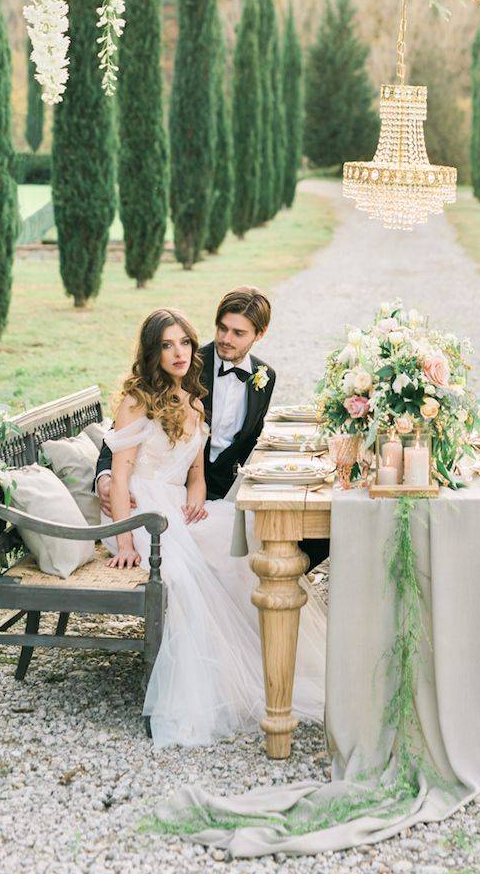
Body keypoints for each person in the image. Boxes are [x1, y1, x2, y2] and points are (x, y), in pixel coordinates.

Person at [100, 306, 325, 747]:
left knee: (242, 544)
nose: (180, 352)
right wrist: (125, 541)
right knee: (185, 575)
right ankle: (212, 678)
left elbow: (197, 475)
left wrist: (196, 502)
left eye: (184, 342)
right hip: (140, 510)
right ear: (152, 352)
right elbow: (122, 477)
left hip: (179, 505)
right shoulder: (136, 402)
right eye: (167, 345)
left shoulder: (194, 402)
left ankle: (269, 658)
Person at [96, 287, 330, 571]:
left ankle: (282, 585)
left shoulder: (265, 377)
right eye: (222, 328)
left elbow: (251, 443)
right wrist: (104, 477)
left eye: (238, 333)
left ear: (260, 334)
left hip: (218, 491)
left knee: (310, 529)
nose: (226, 339)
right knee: (248, 545)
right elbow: (120, 438)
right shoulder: (188, 363)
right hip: (163, 496)